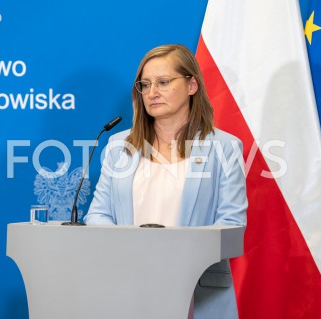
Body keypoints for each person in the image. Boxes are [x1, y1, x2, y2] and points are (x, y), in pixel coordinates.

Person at [84, 44, 247, 319]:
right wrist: (129, 251)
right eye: (145, 85)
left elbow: (232, 226)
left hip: (198, 293)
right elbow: (98, 214)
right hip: (128, 286)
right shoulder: (118, 146)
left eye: (163, 82)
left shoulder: (225, 147)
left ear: (192, 85)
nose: (152, 93)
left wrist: (176, 258)